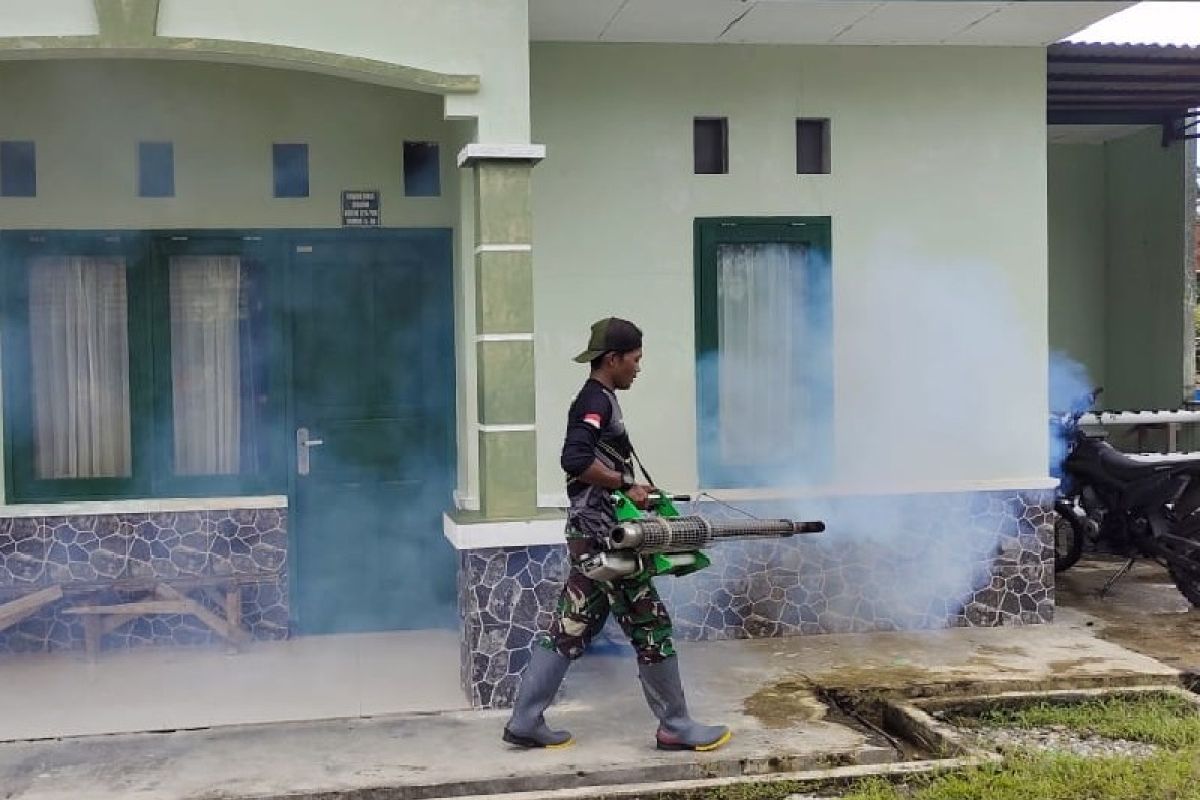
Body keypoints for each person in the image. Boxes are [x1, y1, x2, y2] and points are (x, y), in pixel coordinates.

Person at [502, 317, 731, 752]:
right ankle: (675, 726)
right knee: (651, 625)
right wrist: (625, 485)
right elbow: (575, 458)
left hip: (591, 534)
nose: (638, 369)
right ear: (613, 359)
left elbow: (591, 463)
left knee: (571, 626)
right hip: (605, 537)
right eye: (635, 360)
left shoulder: (601, 399)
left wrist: (632, 489)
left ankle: (525, 720)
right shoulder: (595, 401)